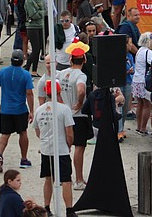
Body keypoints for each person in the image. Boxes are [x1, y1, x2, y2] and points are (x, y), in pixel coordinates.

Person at [33, 80, 76, 217]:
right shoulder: (64, 109)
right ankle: (69, 210)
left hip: (46, 148)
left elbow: (37, 131)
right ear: (59, 92)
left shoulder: (39, 110)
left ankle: (46, 207)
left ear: (46, 92)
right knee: (66, 180)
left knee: (48, 179)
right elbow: (69, 133)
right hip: (61, 149)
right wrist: (68, 145)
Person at [58, 40, 91, 191]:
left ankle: (62, 176)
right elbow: (81, 90)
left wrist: (60, 101)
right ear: (84, 59)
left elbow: (52, 87)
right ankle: (78, 179)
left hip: (63, 113)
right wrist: (79, 102)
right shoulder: (81, 75)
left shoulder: (62, 73)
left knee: (64, 146)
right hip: (77, 115)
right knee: (79, 147)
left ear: (70, 59)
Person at [0, 49, 35, 170]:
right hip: (20, 109)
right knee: (23, 132)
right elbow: (29, 93)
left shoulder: (3, 72)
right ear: (22, 61)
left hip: (6, 109)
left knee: (4, 134)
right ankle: (23, 159)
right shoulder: (25, 74)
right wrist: (31, 110)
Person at [132, 31, 152, 136]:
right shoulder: (148, 52)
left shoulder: (139, 50)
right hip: (143, 81)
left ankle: (138, 126)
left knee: (139, 104)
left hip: (136, 80)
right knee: (147, 105)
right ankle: (143, 128)